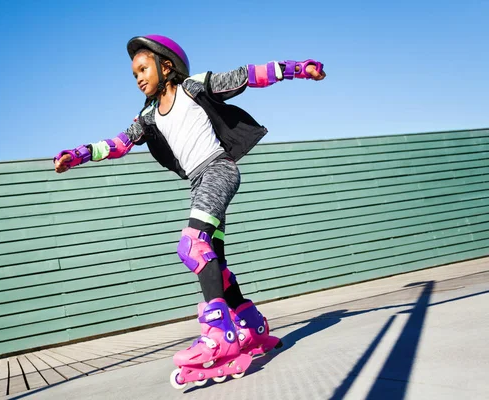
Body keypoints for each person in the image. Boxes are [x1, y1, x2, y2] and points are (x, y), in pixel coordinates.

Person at [54, 34, 326, 388]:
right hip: (199, 182)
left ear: (166, 65)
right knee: (216, 263)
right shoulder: (148, 116)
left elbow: (247, 75)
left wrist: (298, 69)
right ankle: (253, 328)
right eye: (133, 72)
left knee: (193, 245)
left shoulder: (193, 87)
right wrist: (77, 155)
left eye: (143, 68)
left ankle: (220, 336)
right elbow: (118, 144)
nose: (137, 77)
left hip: (219, 169)